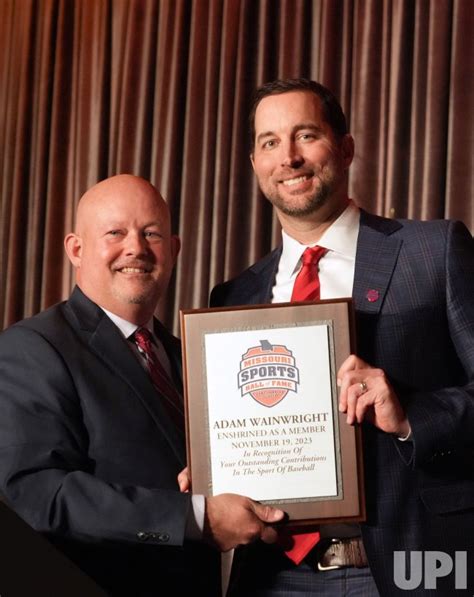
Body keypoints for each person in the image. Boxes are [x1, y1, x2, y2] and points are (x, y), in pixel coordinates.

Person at [210, 79, 474, 596]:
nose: (288, 157)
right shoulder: (233, 298)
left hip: (411, 570)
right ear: (254, 162)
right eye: (269, 142)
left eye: (306, 135)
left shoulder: (434, 251)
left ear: (346, 148)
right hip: (274, 576)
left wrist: (410, 416)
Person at [0, 174, 285, 596]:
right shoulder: (32, 347)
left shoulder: (189, 356)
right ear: (76, 249)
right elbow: (37, 494)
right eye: (115, 232)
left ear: (173, 249)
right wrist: (196, 517)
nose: (135, 247)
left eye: (151, 233)